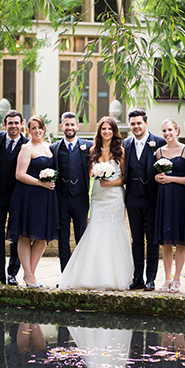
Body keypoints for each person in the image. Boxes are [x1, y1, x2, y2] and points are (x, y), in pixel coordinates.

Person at [59, 116, 134, 291]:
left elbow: (124, 178)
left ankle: (115, 275)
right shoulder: (92, 150)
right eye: (103, 128)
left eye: (109, 128)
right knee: (95, 231)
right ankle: (92, 275)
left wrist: (111, 182)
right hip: (98, 196)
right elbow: (89, 174)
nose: (106, 131)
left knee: (114, 232)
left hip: (114, 196)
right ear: (99, 131)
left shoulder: (120, 151)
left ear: (114, 131)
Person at [7, 115, 58, 287]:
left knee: (42, 237)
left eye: (40, 127)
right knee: (25, 235)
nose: (37, 131)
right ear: (28, 130)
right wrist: (40, 183)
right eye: (33, 128)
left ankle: (31, 274)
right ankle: (28, 275)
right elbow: (19, 174)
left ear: (44, 129)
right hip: (27, 196)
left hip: (45, 198)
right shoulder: (27, 148)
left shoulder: (48, 146)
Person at [123, 109, 166, 291]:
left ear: (146, 123)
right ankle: (137, 277)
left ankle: (151, 279)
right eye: (133, 124)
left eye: (139, 123)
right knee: (137, 240)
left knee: (153, 240)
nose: (136, 127)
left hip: (152, 198)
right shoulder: (126, 144)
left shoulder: (159, 142)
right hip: (132, 198)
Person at [154, 118, 185, 293]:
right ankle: (167, 278)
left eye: (170, 130)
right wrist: (157, 178)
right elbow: (156, 176)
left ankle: (178, 278)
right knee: (165, 241)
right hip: (164, 199)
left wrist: (171, 179)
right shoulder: (158, 152)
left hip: (181, 199)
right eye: (164, 131)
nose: (167, 134)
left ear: (177, 131)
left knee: (180, 240)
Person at [0, 110, 29, 285]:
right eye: (10, 123)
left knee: (15, 236)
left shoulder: (27, 144)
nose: (13, 126)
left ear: (22, 124)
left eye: (16, 123)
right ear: (4, 125)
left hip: (17, 197)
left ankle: (12, 273)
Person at [50, 112, 93, 271]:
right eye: (66, 124)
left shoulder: (87, 146)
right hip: (61, 199)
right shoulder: (54, 148)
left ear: (77, 127)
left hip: (80, 198)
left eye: (72, 124)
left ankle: (81, 273)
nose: (69, 127)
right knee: (63, 239)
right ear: (62, 126)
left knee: (81, 236)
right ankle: (66, 274)